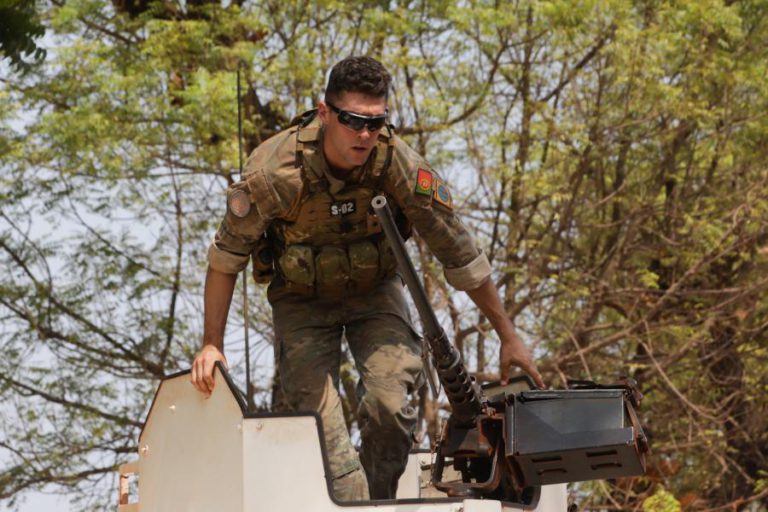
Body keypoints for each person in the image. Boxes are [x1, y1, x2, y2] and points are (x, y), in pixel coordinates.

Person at [190, 56, 544, 501]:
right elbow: (226, 259)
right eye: (353, 121)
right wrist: (211, 343)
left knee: (390, 408)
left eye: (375, 124)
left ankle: (375, 504)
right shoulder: (276, 172)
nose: (364, 135)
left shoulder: (393, 162)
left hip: (375, 292)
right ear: (325, 113)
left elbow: (457, 248)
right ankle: (352, 503)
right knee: (317, 429)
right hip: (301, 302)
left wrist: (508, 335)